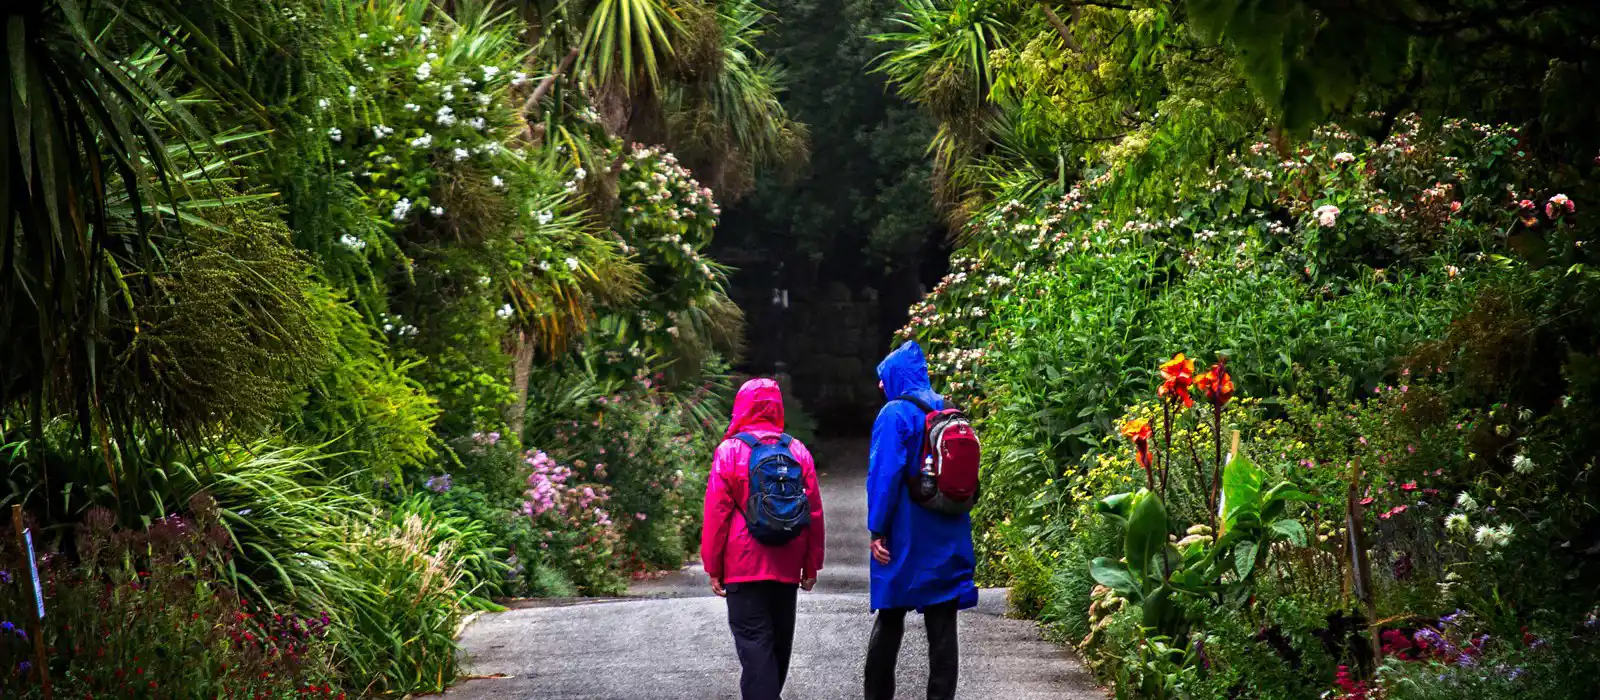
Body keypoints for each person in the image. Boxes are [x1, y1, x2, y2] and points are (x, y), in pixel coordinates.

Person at [864, 340, 978, 700]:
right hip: (948, 527)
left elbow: (884, 476)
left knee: (891, 615)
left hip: (905, 532)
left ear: (896, 377)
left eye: (884, 378)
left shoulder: (894, 414)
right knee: (943, 622)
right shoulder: (948, 410)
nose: (881, 386)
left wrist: (877, 529)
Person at [702, 377, 826, 700]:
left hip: (743, 566)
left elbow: (717, 515)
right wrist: (811, 565)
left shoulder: (729, 452)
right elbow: (813, 511)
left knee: (756, 646)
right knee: (778, 647)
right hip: (786, 564)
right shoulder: (797, 450)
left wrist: (713, 566)